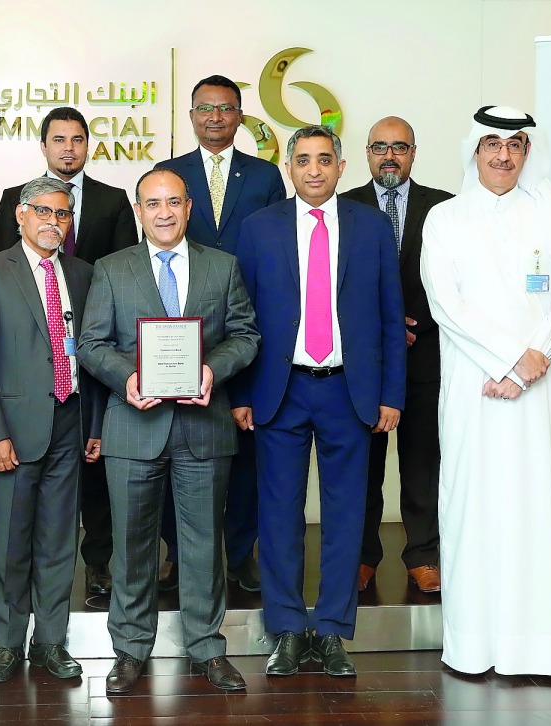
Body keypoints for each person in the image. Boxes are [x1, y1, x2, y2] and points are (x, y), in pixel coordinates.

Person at [78, 168, 259, 694]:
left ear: (188, 208)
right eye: (152, 203)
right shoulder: (112, 270)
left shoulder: (222, 267)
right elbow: (90, 344)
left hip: (203, 425)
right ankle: (131, 650)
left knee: (204, 545)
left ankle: (207, 649)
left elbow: (246, 336)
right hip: (134, 425)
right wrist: (127, 378)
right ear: (139, 210)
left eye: (173, 202)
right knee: (132, 546)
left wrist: (213, 369)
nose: (163, 212)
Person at [420, 106, 551, 677]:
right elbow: (447, 304)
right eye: (491, 144)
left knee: (537, 506)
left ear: (527, 152)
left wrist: (528, 365)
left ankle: (538, 649)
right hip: (474, 386)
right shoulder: (445, 218)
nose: (502, 156)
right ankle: (472, 646)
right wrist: (510, 361)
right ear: (474, 151)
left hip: (538, 388)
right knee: (474, 507)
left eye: (514, 145)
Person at [234, 125, 406, 678]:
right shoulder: (259, 229)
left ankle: (332, 631)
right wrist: (241, 393)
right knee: (279, 515)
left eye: (324, 160)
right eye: (303, 160)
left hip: (347, 390)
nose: (314, 170)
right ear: (289, 166)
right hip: (279, 390)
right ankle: (285, 629)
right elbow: (242, 318)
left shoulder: (372, 228)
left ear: (340, 166)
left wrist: (392, 395)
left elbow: (388, 317)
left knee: (346, 515)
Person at [0, 177, 103, 682]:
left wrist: (97, 424)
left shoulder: (85, 275)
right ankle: (6, 645)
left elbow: (94, 355)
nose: (53, 222)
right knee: (9, 544)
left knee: (59, 541)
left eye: (62, 213)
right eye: (43, 211)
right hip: (13, 433)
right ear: (21, 215)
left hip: (71, 421)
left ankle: (50, 642)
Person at [0, 107, 136, 597]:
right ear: (44, 145)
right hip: (32, 356)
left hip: (90, 349)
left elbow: (124, 271)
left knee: (93, 472)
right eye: (59, 139)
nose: (69, 148)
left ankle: (98, 562)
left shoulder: (113, 200)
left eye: (78, 139)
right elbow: (1, 274)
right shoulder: (15, 198)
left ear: (88, 145)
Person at [153, 74, 286, 593]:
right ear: (191, 116)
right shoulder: (169, 173)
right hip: (175, 327)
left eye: (225, 108)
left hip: (243, 324)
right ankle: (174, 551)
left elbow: (276, 250)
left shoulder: (264, 176)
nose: (214, 117)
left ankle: (242, 549)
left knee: (245, 442)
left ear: (240, 115)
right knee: (173, 440)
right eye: (204, 108)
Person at [340, 116, 453, 594]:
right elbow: (335, 284)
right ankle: (363, 555)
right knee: (362, 464)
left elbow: (457, 279)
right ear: (366, 153)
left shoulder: (445, 208)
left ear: (413, 153)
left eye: (400, 147)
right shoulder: (344, 207)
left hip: (426, 354)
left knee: (423, 463)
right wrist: (381, 331)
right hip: (365, 359)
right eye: (380, 147)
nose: (390, 156)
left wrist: (411, 325)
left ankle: (423, 555)